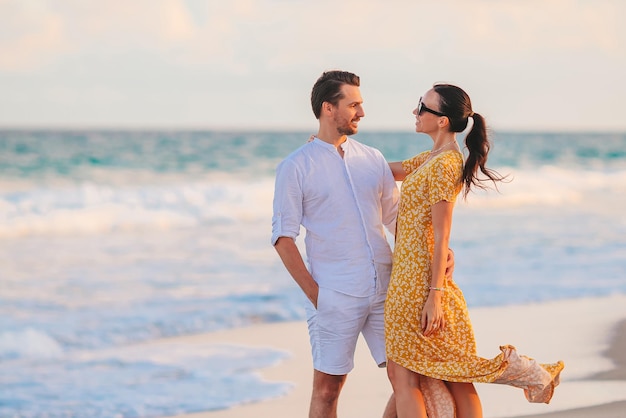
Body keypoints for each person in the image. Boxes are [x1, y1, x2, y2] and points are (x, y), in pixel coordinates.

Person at [272, 70, 454, 418]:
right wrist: (316, 294)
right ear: (329, 108)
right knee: (327, 390)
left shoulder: (371, 158)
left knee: (408, 380)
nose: (362, 112)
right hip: (333, 294)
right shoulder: (295, 167)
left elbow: (397, 219)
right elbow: (283, 238)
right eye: (353, 105)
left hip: (388, 290)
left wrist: (438, 253)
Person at [384, 83, 565, 418]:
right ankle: (531, 371)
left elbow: (442, 234)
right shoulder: (434, 158)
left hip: (420, 285)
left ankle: (528, 371)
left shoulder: (444, 164)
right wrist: (337, 151)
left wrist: (434, 294)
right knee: (451, 376)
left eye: (423, 106)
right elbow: (385, 171)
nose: (415, 111)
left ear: (441, 121)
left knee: (418, 377)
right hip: (411, 280)